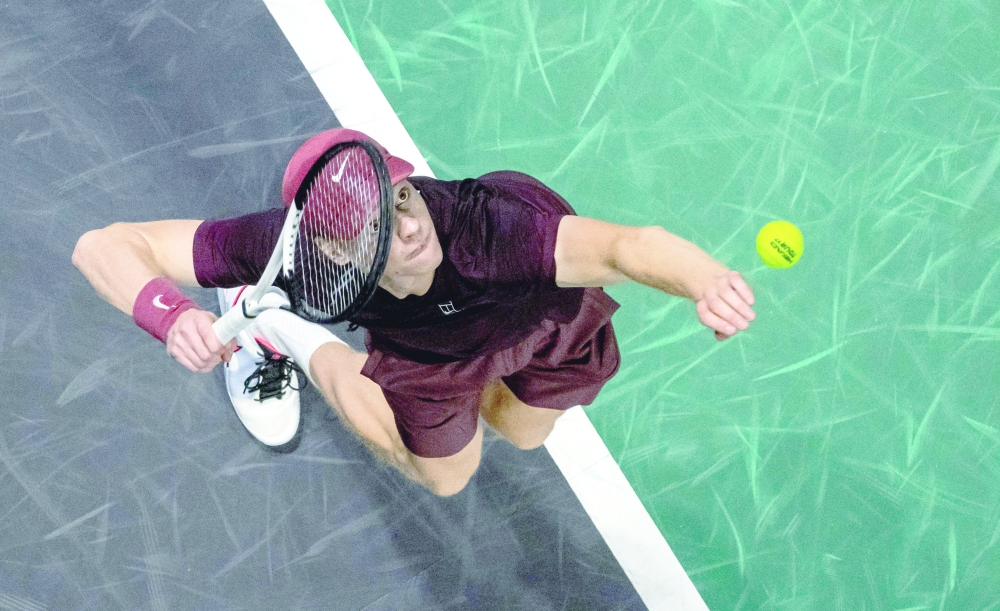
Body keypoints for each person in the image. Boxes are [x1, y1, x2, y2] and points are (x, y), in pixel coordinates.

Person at [73, 128, 756, 496]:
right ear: (327, 246)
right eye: (380, 220)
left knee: (519, 433)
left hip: (539, 318)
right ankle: (279, 329)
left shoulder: (491, 228)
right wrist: (169, 314)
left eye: (402, 196)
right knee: (448, 478)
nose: (409, 223)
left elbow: (629, 247)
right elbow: (104, 246)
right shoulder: (276, 244)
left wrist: (708, 281)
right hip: (428, 352)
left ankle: (274, 323)